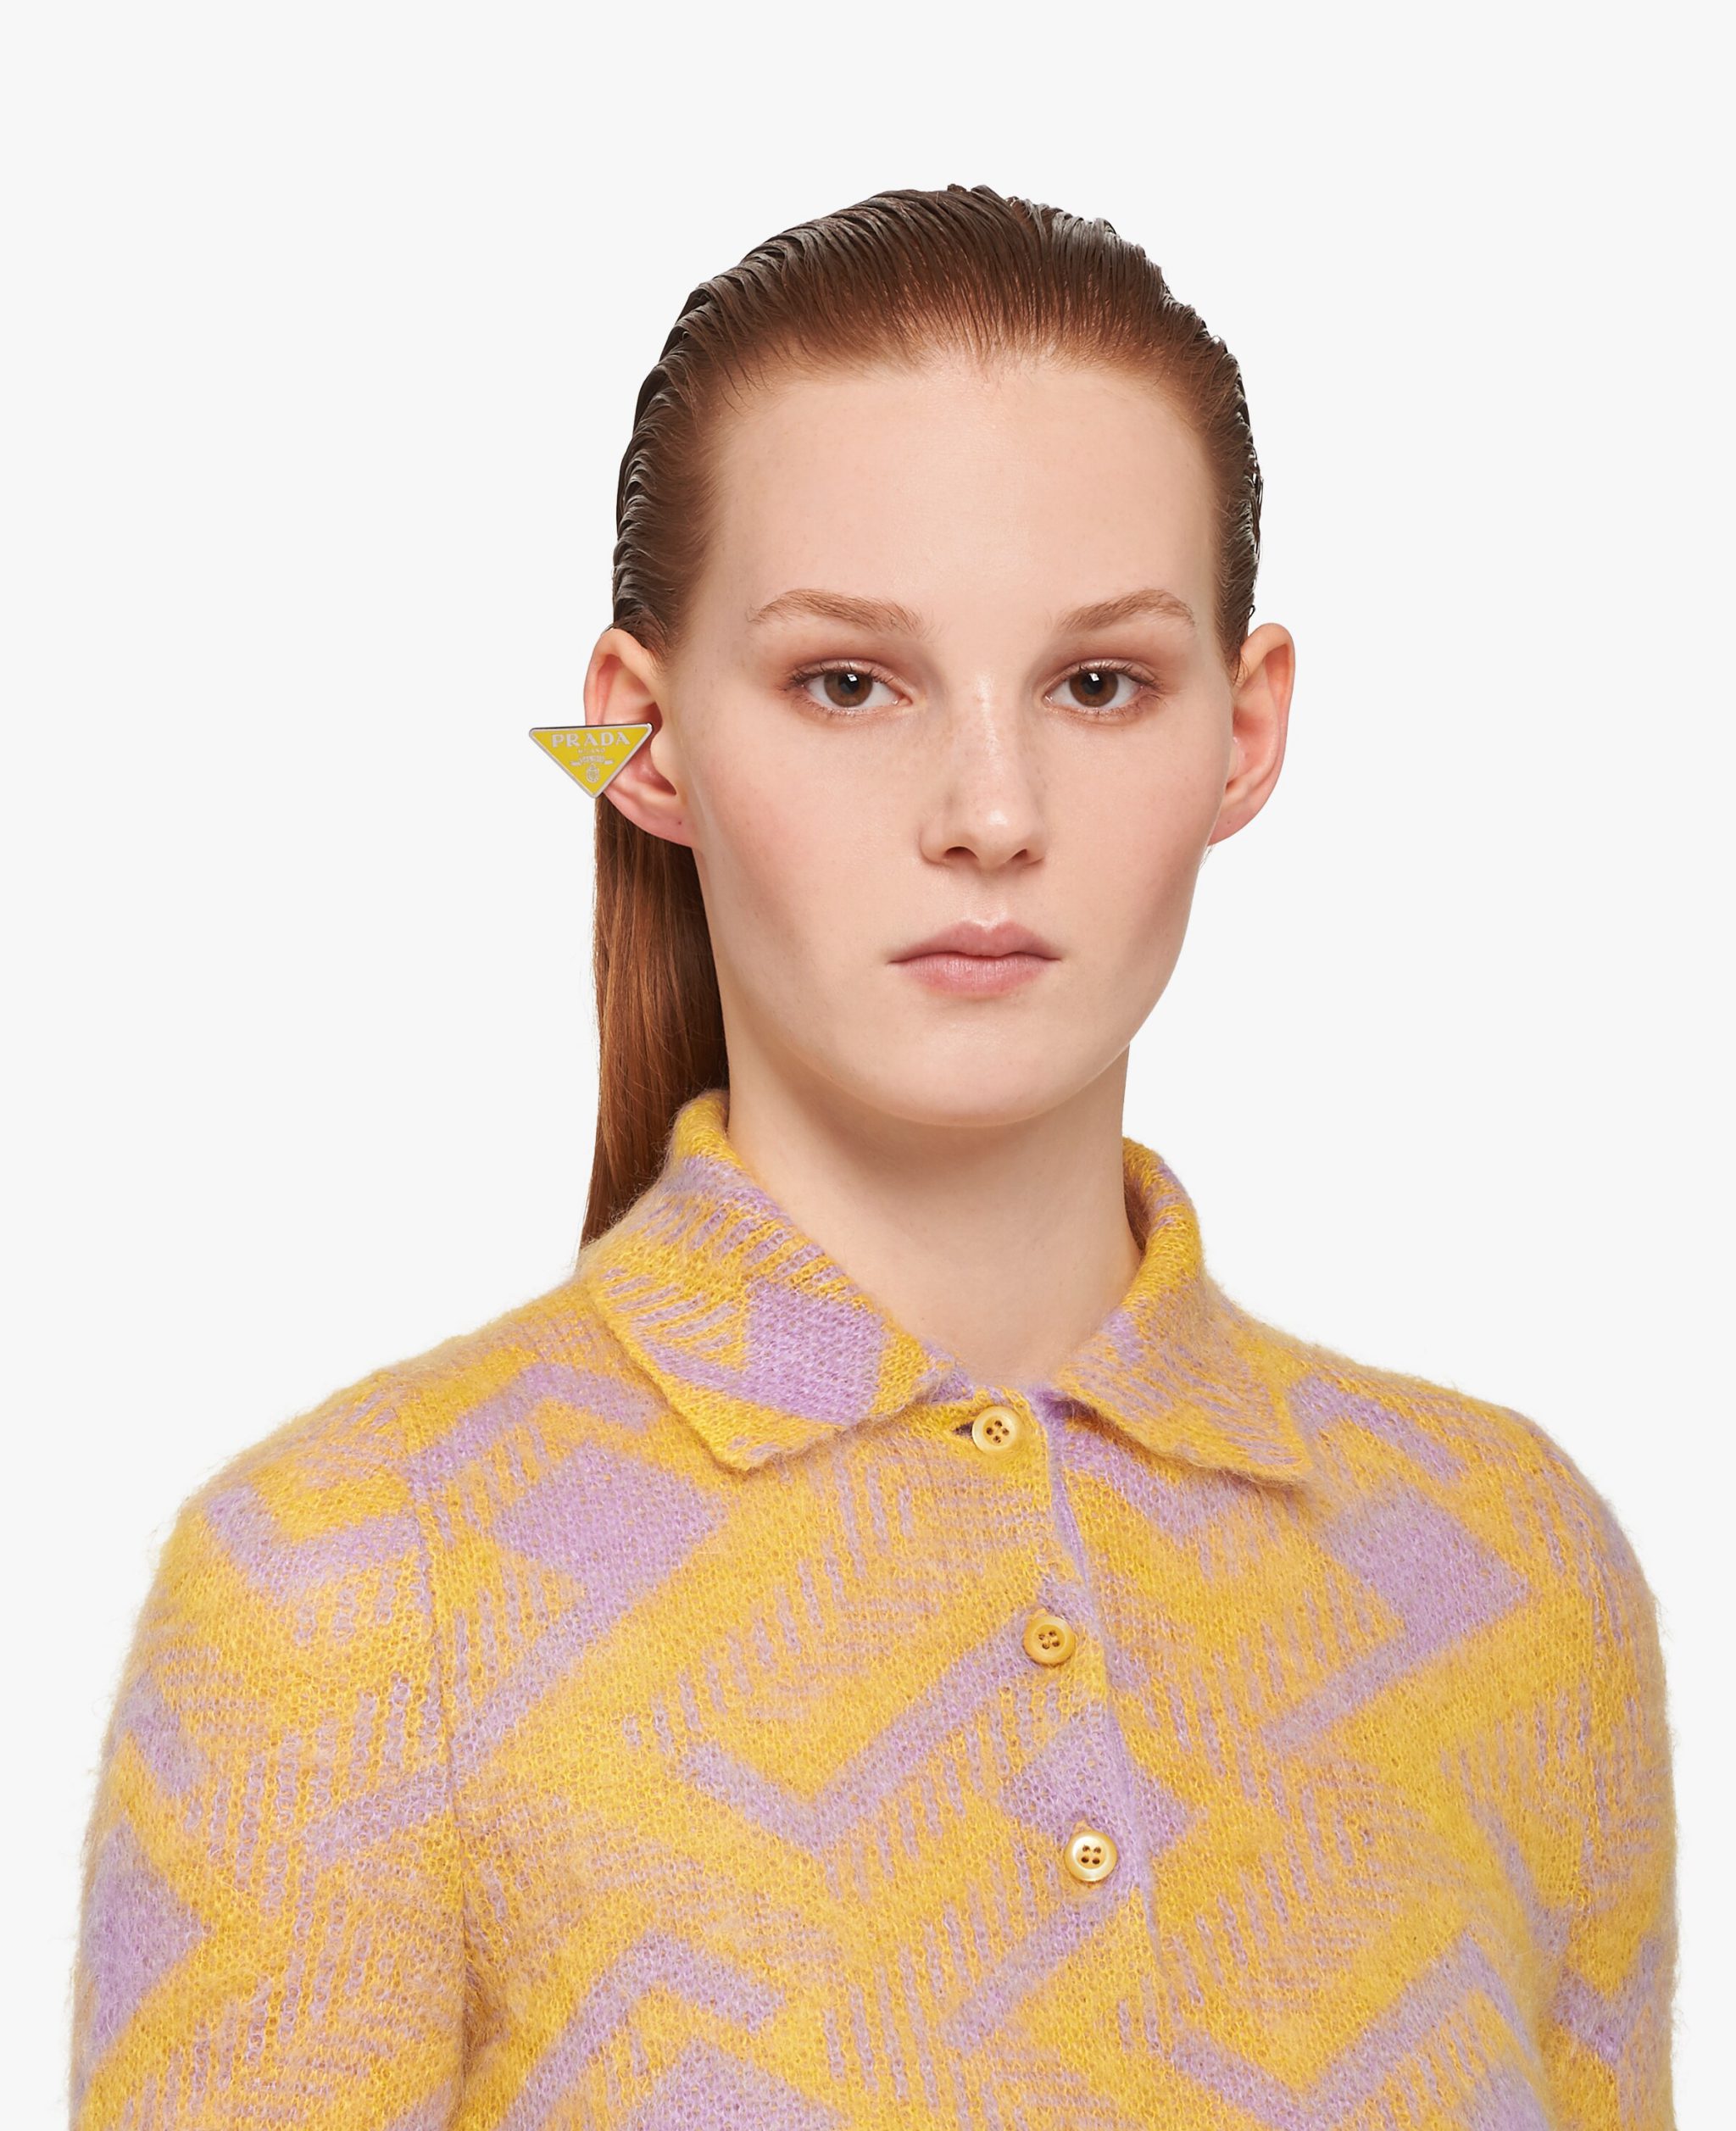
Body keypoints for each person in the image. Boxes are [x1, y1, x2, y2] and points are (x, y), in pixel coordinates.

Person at [69, 184, 1678, 2129]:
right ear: (644, 737)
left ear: (1244, 731)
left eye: (1098, 683)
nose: (989, 810)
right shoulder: (351, 1584)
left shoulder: (1513, 1572)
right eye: (849, 681)